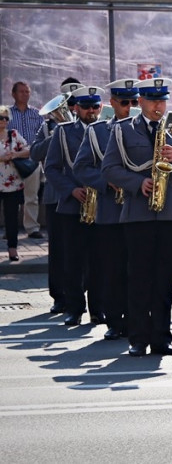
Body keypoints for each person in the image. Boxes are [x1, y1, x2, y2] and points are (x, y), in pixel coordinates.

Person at [101, 78, 172, 356]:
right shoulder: (123, 130)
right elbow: (109, 168)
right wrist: (136, 183)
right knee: (139, 277)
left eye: (163, 100)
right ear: (141, 102)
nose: (160, 105)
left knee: (165, 279)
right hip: (138, 214)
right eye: (154, 101)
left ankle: (161, 338)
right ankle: (138, 338)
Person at [72, 79, 137, 340]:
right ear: (112, 103)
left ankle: (135, 320)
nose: (130, 108)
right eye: (124, 103)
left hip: (138, 211)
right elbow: (80, 167)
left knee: (137, 271)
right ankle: (114, 321)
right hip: (109, 212)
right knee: (111, 271)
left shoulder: (144, 130)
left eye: (134, 102)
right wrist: (105, 182)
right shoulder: (98, 132)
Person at [46, 85, 105, 326]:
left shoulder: (106, 130)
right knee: (73, 260)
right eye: (86, 107)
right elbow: (51, 167)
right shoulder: (63, 132)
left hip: (101, 203)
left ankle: (98, 309)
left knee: (100, 260)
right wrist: (71, 189)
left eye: (95, 107)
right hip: (73, 204)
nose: (91, 111)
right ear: (76, 108)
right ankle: (74, 308)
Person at [31, 82, 80, 313]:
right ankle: (59, 296)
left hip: (83, 193)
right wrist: (61, 133)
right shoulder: (49, 126)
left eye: (72, 101)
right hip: (55, 195)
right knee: (59, 250)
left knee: (84, 249)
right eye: (66, 100)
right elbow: (35, 153)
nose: (69, 105)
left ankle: (83, 294)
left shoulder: (90, 125)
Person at [9, 82, 43, 239]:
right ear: (13, 94)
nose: (25, 94)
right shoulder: (6, 114)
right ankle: (11, 229)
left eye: (27, 91)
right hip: (10, 160)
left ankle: (32, 228)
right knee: (10, 196)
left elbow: (42, 136)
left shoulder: (37, 114)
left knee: (32, 195)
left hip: (31, 159)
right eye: (21, 91)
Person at [0, 105, 31, 261]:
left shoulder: (14, 135)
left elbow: (29, 150)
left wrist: (15, 154)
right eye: (0, 118)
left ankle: (13, 249)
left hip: (13, 183)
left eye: (5, 118)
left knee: (12, 217)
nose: (3, 121)